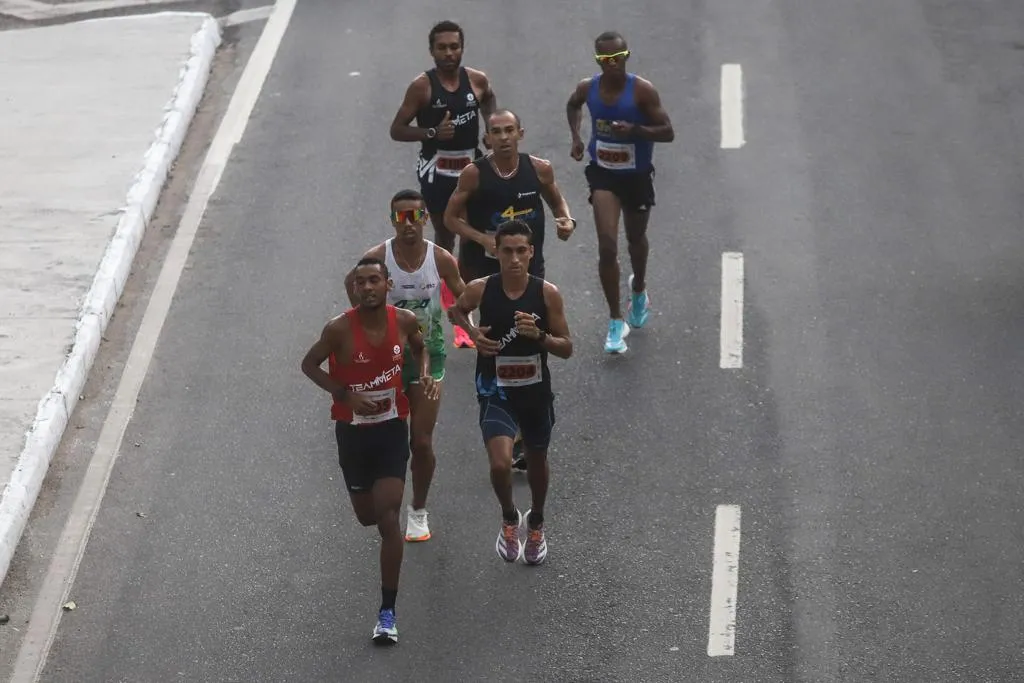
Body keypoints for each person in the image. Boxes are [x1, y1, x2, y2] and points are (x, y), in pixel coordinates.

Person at [301, 257, 437, 645]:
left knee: (388, 514)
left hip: (392, 429)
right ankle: (379, 519)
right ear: (355, 288)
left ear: (387, 284)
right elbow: (308, 364)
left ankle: (387, 612)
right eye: (360, 282)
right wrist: (344, 394)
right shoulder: (339, 329)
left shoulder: (404, 321)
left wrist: (422, 373)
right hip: (353, 434)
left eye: (374, 280)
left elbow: (419, 347)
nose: (367, 287)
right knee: (366, 516)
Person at [444, 108, 577, 470]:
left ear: (521, 132)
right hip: (486, 268)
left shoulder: (540, 168)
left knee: (531, 337)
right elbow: (450, 218)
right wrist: (481, 238)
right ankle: (502, 417)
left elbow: (556, 201)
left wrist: (565, 219)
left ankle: (522, 425)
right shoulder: (474, 174)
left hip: (529, 266)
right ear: (487, 138)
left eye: (509, 130)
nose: (503, 137)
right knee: (495, 343)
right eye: (496, 132)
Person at [447, 220, 573, 566]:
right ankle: (508, 516)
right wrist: (473, 334)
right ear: (496, 252)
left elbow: (566, 347)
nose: (514, 259)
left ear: (531, 253)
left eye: (521, 251)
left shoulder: (547, 293)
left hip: (534, 391)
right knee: (501, 463)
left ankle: (537, 522)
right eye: (507, 251)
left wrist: (540, 336)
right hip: (495, 389)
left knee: (536, 463)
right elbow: (454, 311)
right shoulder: (480, 289)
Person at [344, 189, 466, 543]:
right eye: (401, 217)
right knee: (385, 436)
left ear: (426, 218)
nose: (408, 224)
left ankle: (419, 510)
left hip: (429, 356)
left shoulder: (439, 259)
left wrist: (473, 328)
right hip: (387, 362)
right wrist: (365, 325)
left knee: (422, 442)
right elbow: (352, 283)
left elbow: (462, 296)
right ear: (392, 220)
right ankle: (382, 495)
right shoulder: (378, 257)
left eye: (415, 216)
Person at [389, 20, 497, 349]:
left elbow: (489, 99)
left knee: (470, 238)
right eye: (442, 47)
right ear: (432, 51)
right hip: (437, 169)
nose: (449, 53)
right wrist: (432, 133)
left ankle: (463, 318)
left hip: (471, 165)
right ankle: (446, 304)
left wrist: (490, 127)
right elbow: (397, 129)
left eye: (454, 46)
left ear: (462, 48)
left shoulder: (476, 80)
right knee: (446, 236)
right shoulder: (422, 87)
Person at [565, 31, 675, 354]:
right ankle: (615, 321)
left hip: (637, 175)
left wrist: (636, 130)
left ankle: (638, 290)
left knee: (635, 241)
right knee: (607, 245)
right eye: (604, 60)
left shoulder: (642, 91)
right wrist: (575, 135)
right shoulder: (589, 88)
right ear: (598, 61)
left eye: (617, 58)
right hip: (603, 174)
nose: (612, 65)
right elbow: (573, 105)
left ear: (626, 56)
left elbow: (668, 131)